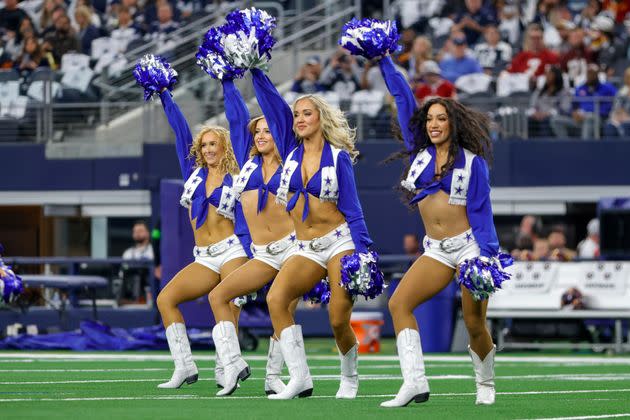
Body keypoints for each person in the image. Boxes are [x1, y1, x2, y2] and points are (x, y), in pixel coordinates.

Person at [379, 54, 502, 407]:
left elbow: (481, 213)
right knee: (399, 302)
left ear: (453, 123)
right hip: (435, 249)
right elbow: (403, 98)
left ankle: (486, 382)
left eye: (441, 118)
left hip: (469, 248)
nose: (434, 124)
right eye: (430, 118)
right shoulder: (418, 154)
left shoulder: (472, 163)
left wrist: (487, 259)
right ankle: (414, 382)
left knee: (474, 322)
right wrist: (384, 61)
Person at [265, 93, 374, 400]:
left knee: (338, 319)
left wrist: (364, 252)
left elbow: (352, 208)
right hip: (306, 246)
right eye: (297, 114)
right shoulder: (291, 155)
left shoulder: (338, 156)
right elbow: (272, 106)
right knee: (276, 299)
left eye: (307, 113)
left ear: (320, 119)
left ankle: (350, 378)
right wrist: (256, 72)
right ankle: (300, 377)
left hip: (340, 241)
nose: (300, 119)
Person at [208, 68, 300, 396]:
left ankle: (275, 376)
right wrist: (227, 81)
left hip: (292, 249)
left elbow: (276, 109)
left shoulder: (291, 157)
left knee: (283, 308)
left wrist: (256, 70)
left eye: (267, 130)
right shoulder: (247, 162)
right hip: (259, 251)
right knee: (219, 295)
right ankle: (234, 365)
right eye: (257, 131)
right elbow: (236, 119)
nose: (261, 135)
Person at [154, 86, 250, 390]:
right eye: (204, 144)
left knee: (228, 305)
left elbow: (239, 123)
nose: (208, 149)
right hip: (204, 255)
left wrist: (228, 84)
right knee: (166, 299)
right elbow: (180, 129)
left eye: (214, 144)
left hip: (233, 249)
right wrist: (165, 95)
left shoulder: (238, 175)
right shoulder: (192, 173)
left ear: (225, 147)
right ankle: (184, 366)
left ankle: (228, 367)